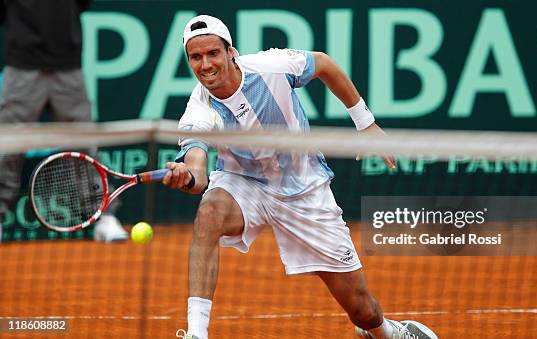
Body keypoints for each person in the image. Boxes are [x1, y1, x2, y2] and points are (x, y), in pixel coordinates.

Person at [168, 15, 438, 339]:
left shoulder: (272, 67)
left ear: (231, 52)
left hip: (304, 189)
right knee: (209, 213)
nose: (206, 64)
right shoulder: (198, 108)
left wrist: (365, 123)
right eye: (196, 57)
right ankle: (197, 333)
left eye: (213, 53)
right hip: (244, 184)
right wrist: (187, 176)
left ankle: (384, 332)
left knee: (363, 311)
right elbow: (198, 170)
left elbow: (323, 64)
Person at [0, 0, 127, 242]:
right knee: (8, 145)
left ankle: (104, 217)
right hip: (22, 65)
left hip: (67, 65)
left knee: (84, 144)